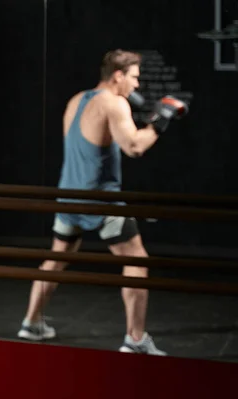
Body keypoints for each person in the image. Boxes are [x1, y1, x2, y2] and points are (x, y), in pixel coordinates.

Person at [17, 49, 188, 355]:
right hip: (101, 200)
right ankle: (136, 340)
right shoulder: (115, 102)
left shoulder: (77, 99)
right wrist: (160, 121)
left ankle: (31, 322)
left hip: (69, 197)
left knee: (55, 259)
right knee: (137, 261)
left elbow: (88, 147)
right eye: (134, 77)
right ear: (118, 75)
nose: (136, 85)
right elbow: (134, 147)